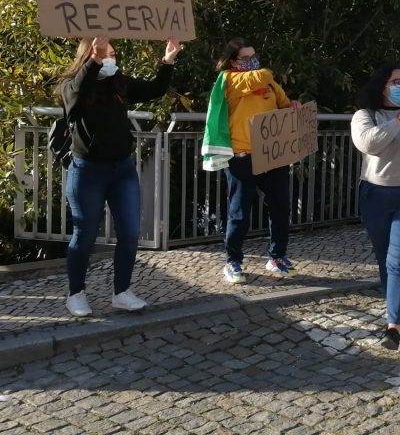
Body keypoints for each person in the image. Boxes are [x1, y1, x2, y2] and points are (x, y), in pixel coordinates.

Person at [58, 35, 182, 317]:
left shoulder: (119, 84)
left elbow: (154, 89)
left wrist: (168, 60)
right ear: (88, 56)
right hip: (88, 171)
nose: (110, 58)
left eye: (112, 54)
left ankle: (121, 292)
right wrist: (94, 60)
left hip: (122, 170)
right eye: (104, 54)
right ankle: (76, 294)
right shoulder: (72, 85)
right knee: (85, 234)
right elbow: (76, 93)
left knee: (129, 232)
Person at [201, 38, 300, 284]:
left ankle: (277, 256)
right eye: (246, 58)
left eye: (254, 56)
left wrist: (293, 107)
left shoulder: (268, 83)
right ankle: (232, 261)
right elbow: (261, 76)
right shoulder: (229, 80)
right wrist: (262, 72)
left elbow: (283, 104)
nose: (252, 61)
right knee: (240, 212)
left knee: (280, 206)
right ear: (233, 61)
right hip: (241, 156)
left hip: (271, 154)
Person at [351, 65, 400, 350]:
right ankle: (396, 305)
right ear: (383, 86)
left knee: (399, 260)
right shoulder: (365, 116)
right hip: (375, 195)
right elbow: (369, 144)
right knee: (384, 258)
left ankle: (394, 326)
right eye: (396, 81)